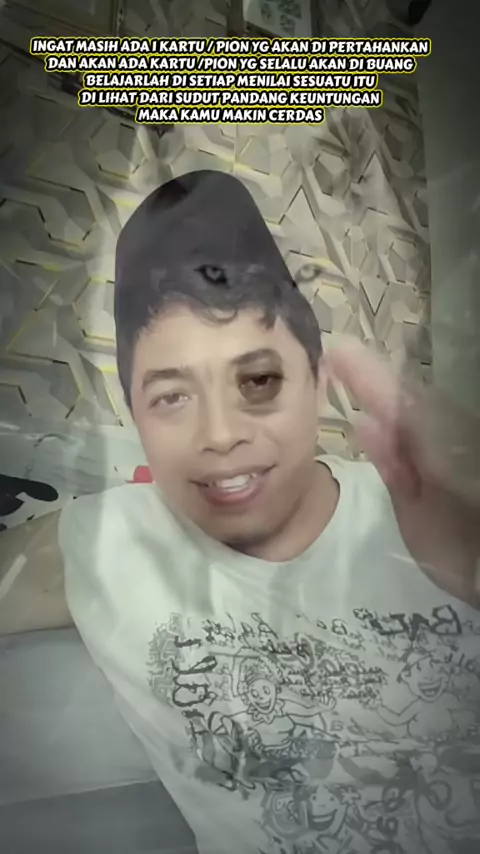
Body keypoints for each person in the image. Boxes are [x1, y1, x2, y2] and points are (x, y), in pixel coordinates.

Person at [1, 170, 479, 853]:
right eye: (171, 397)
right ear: (135, 414)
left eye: (258, 380)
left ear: (318, 382)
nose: (221, 434)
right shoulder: (112, 541)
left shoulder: (432, 512)